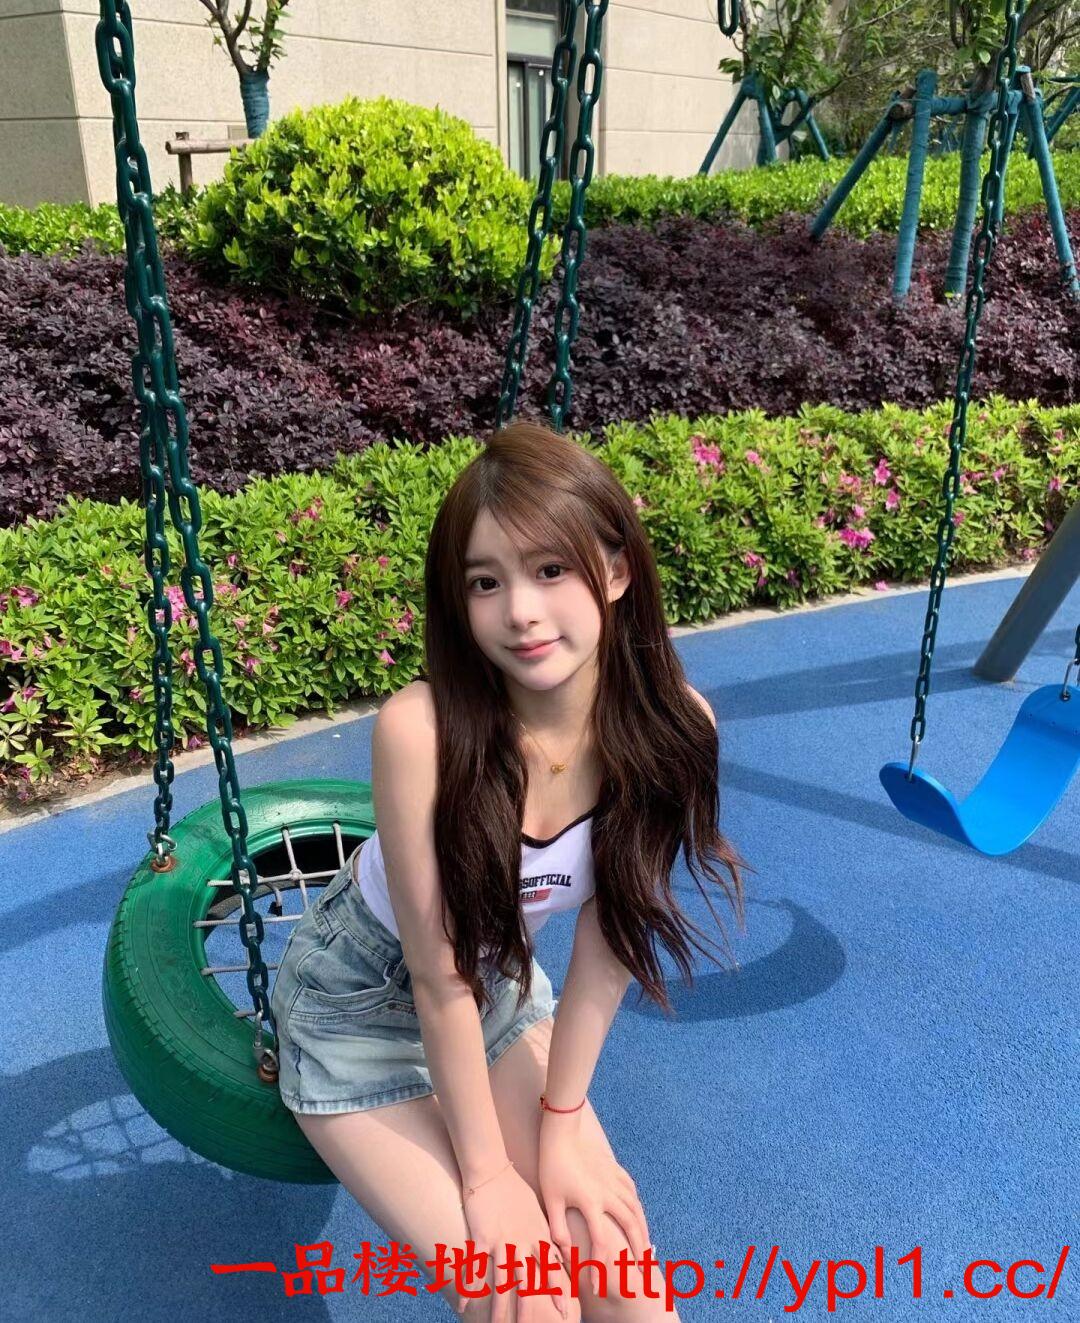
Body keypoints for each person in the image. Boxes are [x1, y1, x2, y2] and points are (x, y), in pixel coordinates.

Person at [270, 419, 748, 1321]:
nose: (520, 611)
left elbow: (612, 940)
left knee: (622, 1281)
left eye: (550, 569)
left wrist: (562, 1123)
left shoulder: (675, 729)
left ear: (616, 570)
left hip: (495, 990)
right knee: (526, 1302)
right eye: (486, 582)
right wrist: (487, 1176)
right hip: (355, 1009)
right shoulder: (423, 731)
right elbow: (433, 975)